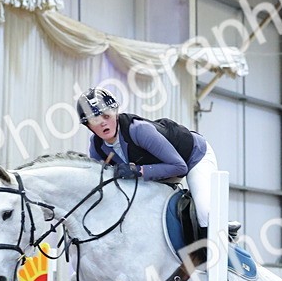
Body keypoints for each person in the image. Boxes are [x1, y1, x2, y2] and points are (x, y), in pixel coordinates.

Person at [76, 88, 219, 229]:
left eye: (106, 116)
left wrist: (138, 171)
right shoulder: (96, 147)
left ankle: (225, 239)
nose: (102, 123)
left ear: (115, 114)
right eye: (95, 120)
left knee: (204, 213)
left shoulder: (139, 130)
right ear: (88, 126)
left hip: (193, 157)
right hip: (159, 170)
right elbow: (99, 185)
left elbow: (180, 167)